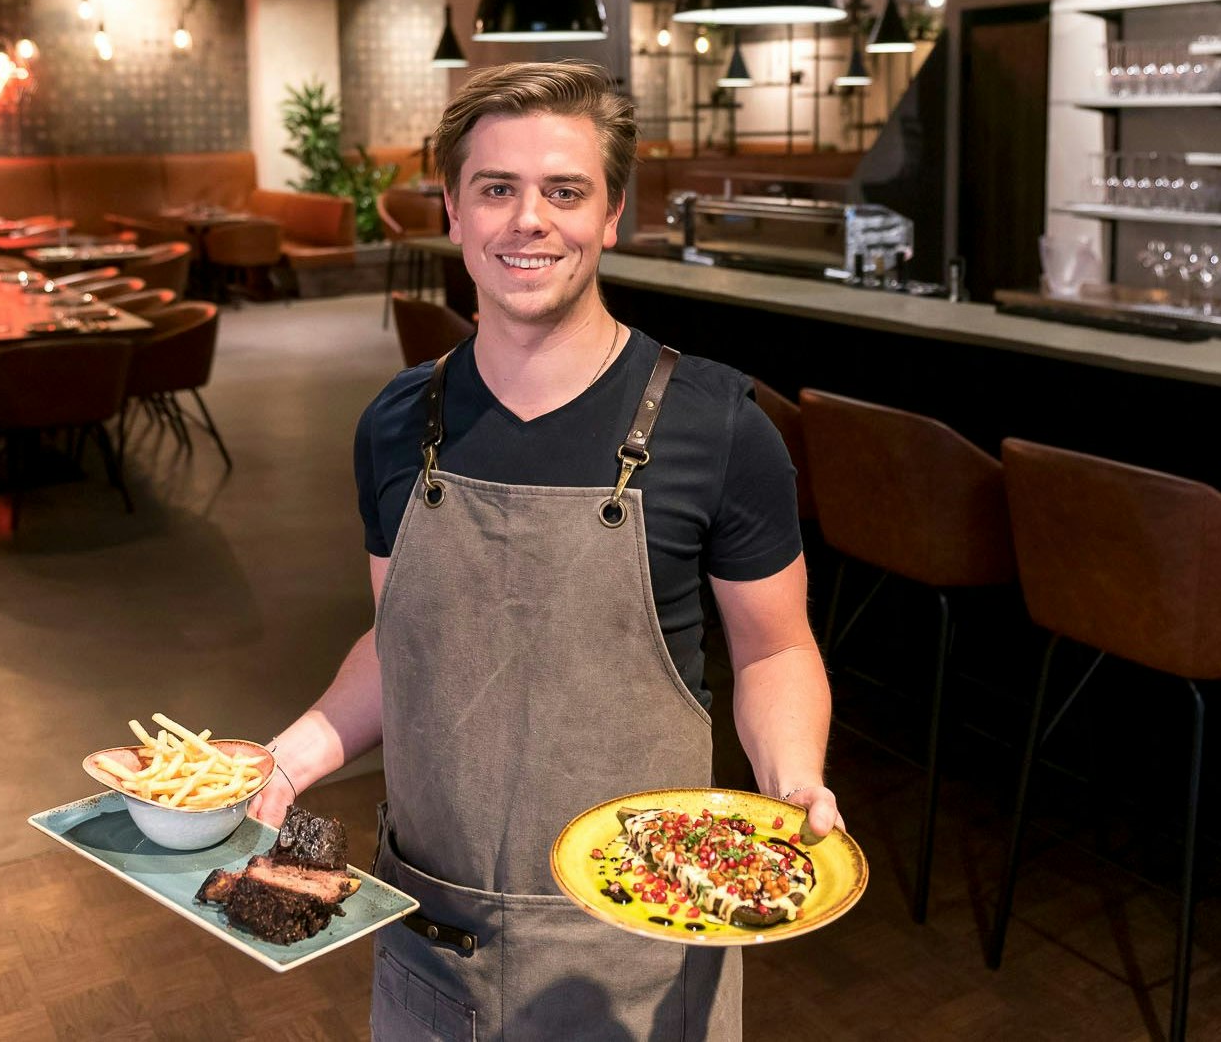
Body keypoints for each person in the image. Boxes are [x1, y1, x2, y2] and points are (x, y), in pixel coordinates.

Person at [251, 60, 839, 1040]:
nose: (530, 219)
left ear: (612, 216)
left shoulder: (722, 429)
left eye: (565, 190)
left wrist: (790, 784)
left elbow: (776, 650)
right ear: (451, 210)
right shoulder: (397, 424)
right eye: (497, 188)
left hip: (638, 954)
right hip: (432, 934)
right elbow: (403, 641)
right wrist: (296, 750)